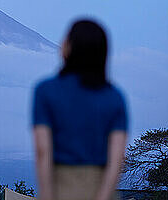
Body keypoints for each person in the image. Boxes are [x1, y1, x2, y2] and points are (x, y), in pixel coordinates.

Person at [32, 19, 128, 200]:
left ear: (70, 47)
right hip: (100, 187)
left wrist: (46, 194)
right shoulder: (114, 97)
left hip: (61, 186)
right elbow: (117, 158)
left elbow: (42, 151)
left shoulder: (46, 91)